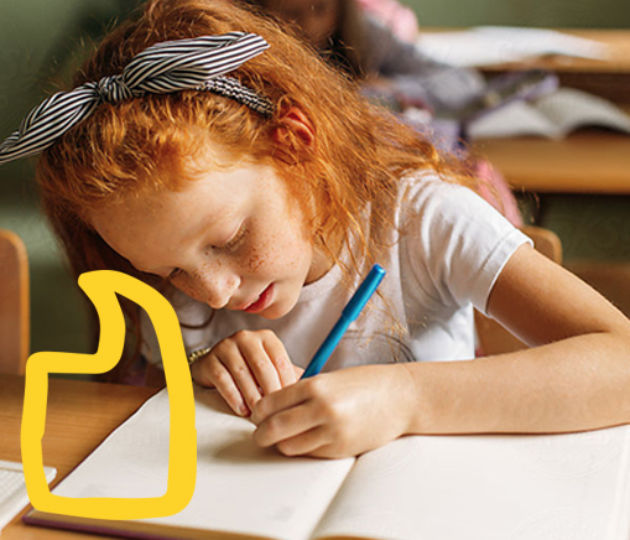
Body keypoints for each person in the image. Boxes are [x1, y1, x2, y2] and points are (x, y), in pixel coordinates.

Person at [1, 0, 629, 460]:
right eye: (172, 271)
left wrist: (405, 399)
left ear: (296, 142)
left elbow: (621, 361)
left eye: (227, 239)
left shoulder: (421, 219)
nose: (214, 291)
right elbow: (137, 390)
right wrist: (198, 366)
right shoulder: (169, 258)